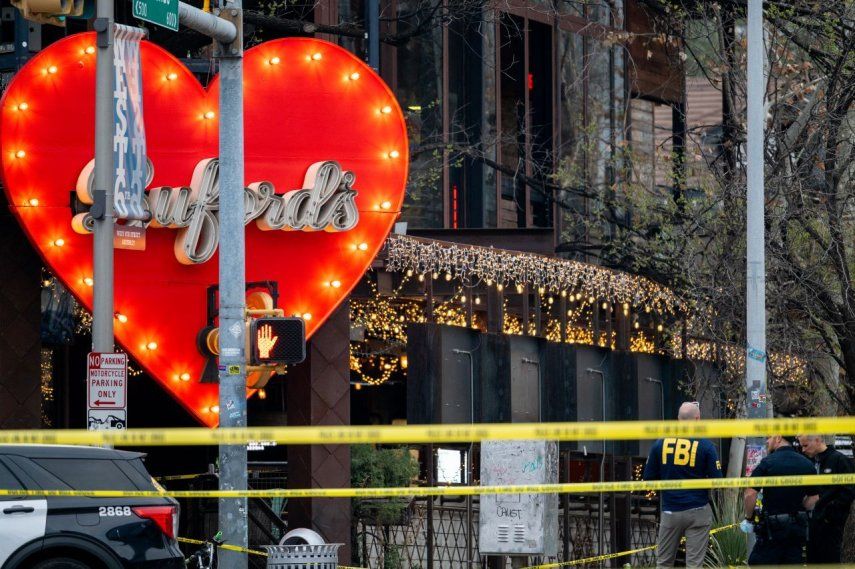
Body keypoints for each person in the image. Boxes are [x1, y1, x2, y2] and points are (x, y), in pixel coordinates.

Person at [643, 401, 723, 568]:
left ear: (678, 419)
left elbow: (648, 478)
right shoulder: (707, 445)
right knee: (694, 564)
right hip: (698, 510)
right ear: (698, 419)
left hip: (671, 510)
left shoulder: (660, 444)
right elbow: (718, 481)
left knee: (664, 563)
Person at [742, 435, 819, 565]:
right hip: (796, 529)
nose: (767, 441)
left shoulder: (768, 462)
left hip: (773, 530)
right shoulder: (807, 464)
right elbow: (814, 497)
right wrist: (798, 508)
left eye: (769, 437)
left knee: (759, 562)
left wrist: (749, 518)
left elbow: (750, 494)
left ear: (778, 438)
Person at [798, 434, 855, 564]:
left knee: (829, 560)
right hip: (811, 524)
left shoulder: (839, 460)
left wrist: (829, 513)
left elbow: (849, 491)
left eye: (805, 445)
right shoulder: (809, 462)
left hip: (830, 525)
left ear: (817, 440)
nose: (803, 450)